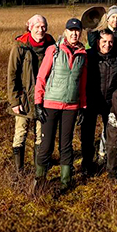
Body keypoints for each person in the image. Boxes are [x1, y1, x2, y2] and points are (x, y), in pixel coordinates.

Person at [34, 18, 88, 193]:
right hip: (51, 104)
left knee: (66, 145)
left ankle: (66, 181)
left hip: (71, 106)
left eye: (77, 31)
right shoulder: (54, 50)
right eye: (71, 30)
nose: (74, 34)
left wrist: (82, 106)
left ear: (81, 33)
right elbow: (41, 77)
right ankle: (40, 180)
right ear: (65, 32)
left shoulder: (83, 54)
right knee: (46, 145)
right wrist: (38, 102)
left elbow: (82, 83)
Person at [6, 15, 55, 171]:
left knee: (41, 135)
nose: (41, 30)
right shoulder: (19, 46)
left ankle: (38, 170)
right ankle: (19, 171)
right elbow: (12, 75)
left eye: (43, 26)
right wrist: (14, 101)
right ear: (30, 27)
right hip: (24, 98)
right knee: (20, 133)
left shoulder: (51, 45)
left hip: (45, 98)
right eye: (37, 27)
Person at [80, 29, 117, 176]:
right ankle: (87, 164)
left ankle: (111, 166)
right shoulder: (89, 56)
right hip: (91, 101)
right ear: (98, 42)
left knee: (112, 135)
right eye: (104, 41)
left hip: (110, 103)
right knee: (87, 136)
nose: (107, 45)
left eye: (110, 42)